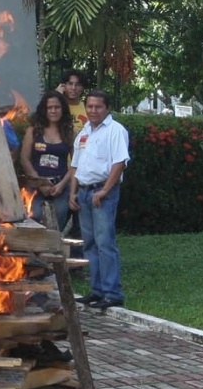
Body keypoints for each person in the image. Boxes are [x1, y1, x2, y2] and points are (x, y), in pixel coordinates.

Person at [71, 91, 130, 311]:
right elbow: (76, 165)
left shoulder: (115, 130)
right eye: (90, 106)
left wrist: (105, 190)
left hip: (102, 193)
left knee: (105, 243)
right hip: (84, 193)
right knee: (90, 243)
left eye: (98, 107)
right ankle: (96, 290)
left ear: (107, 109)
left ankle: (112, 293)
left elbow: (120, 162)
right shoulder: (85, 132)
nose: (93, 110)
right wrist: (72, 193)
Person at [22, 92, 75, 228]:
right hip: (36, 186)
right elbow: (24, 159)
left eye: (57, 107)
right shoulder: (33, 131)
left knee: (58, 219)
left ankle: (55, 248)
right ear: (44, 110)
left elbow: (76, 164)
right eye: (49, 107)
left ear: (63, 109)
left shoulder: (70, 133)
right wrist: (40, 183)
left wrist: (62, 185)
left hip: (60, 186)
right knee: (35, 217)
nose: (53, 111)